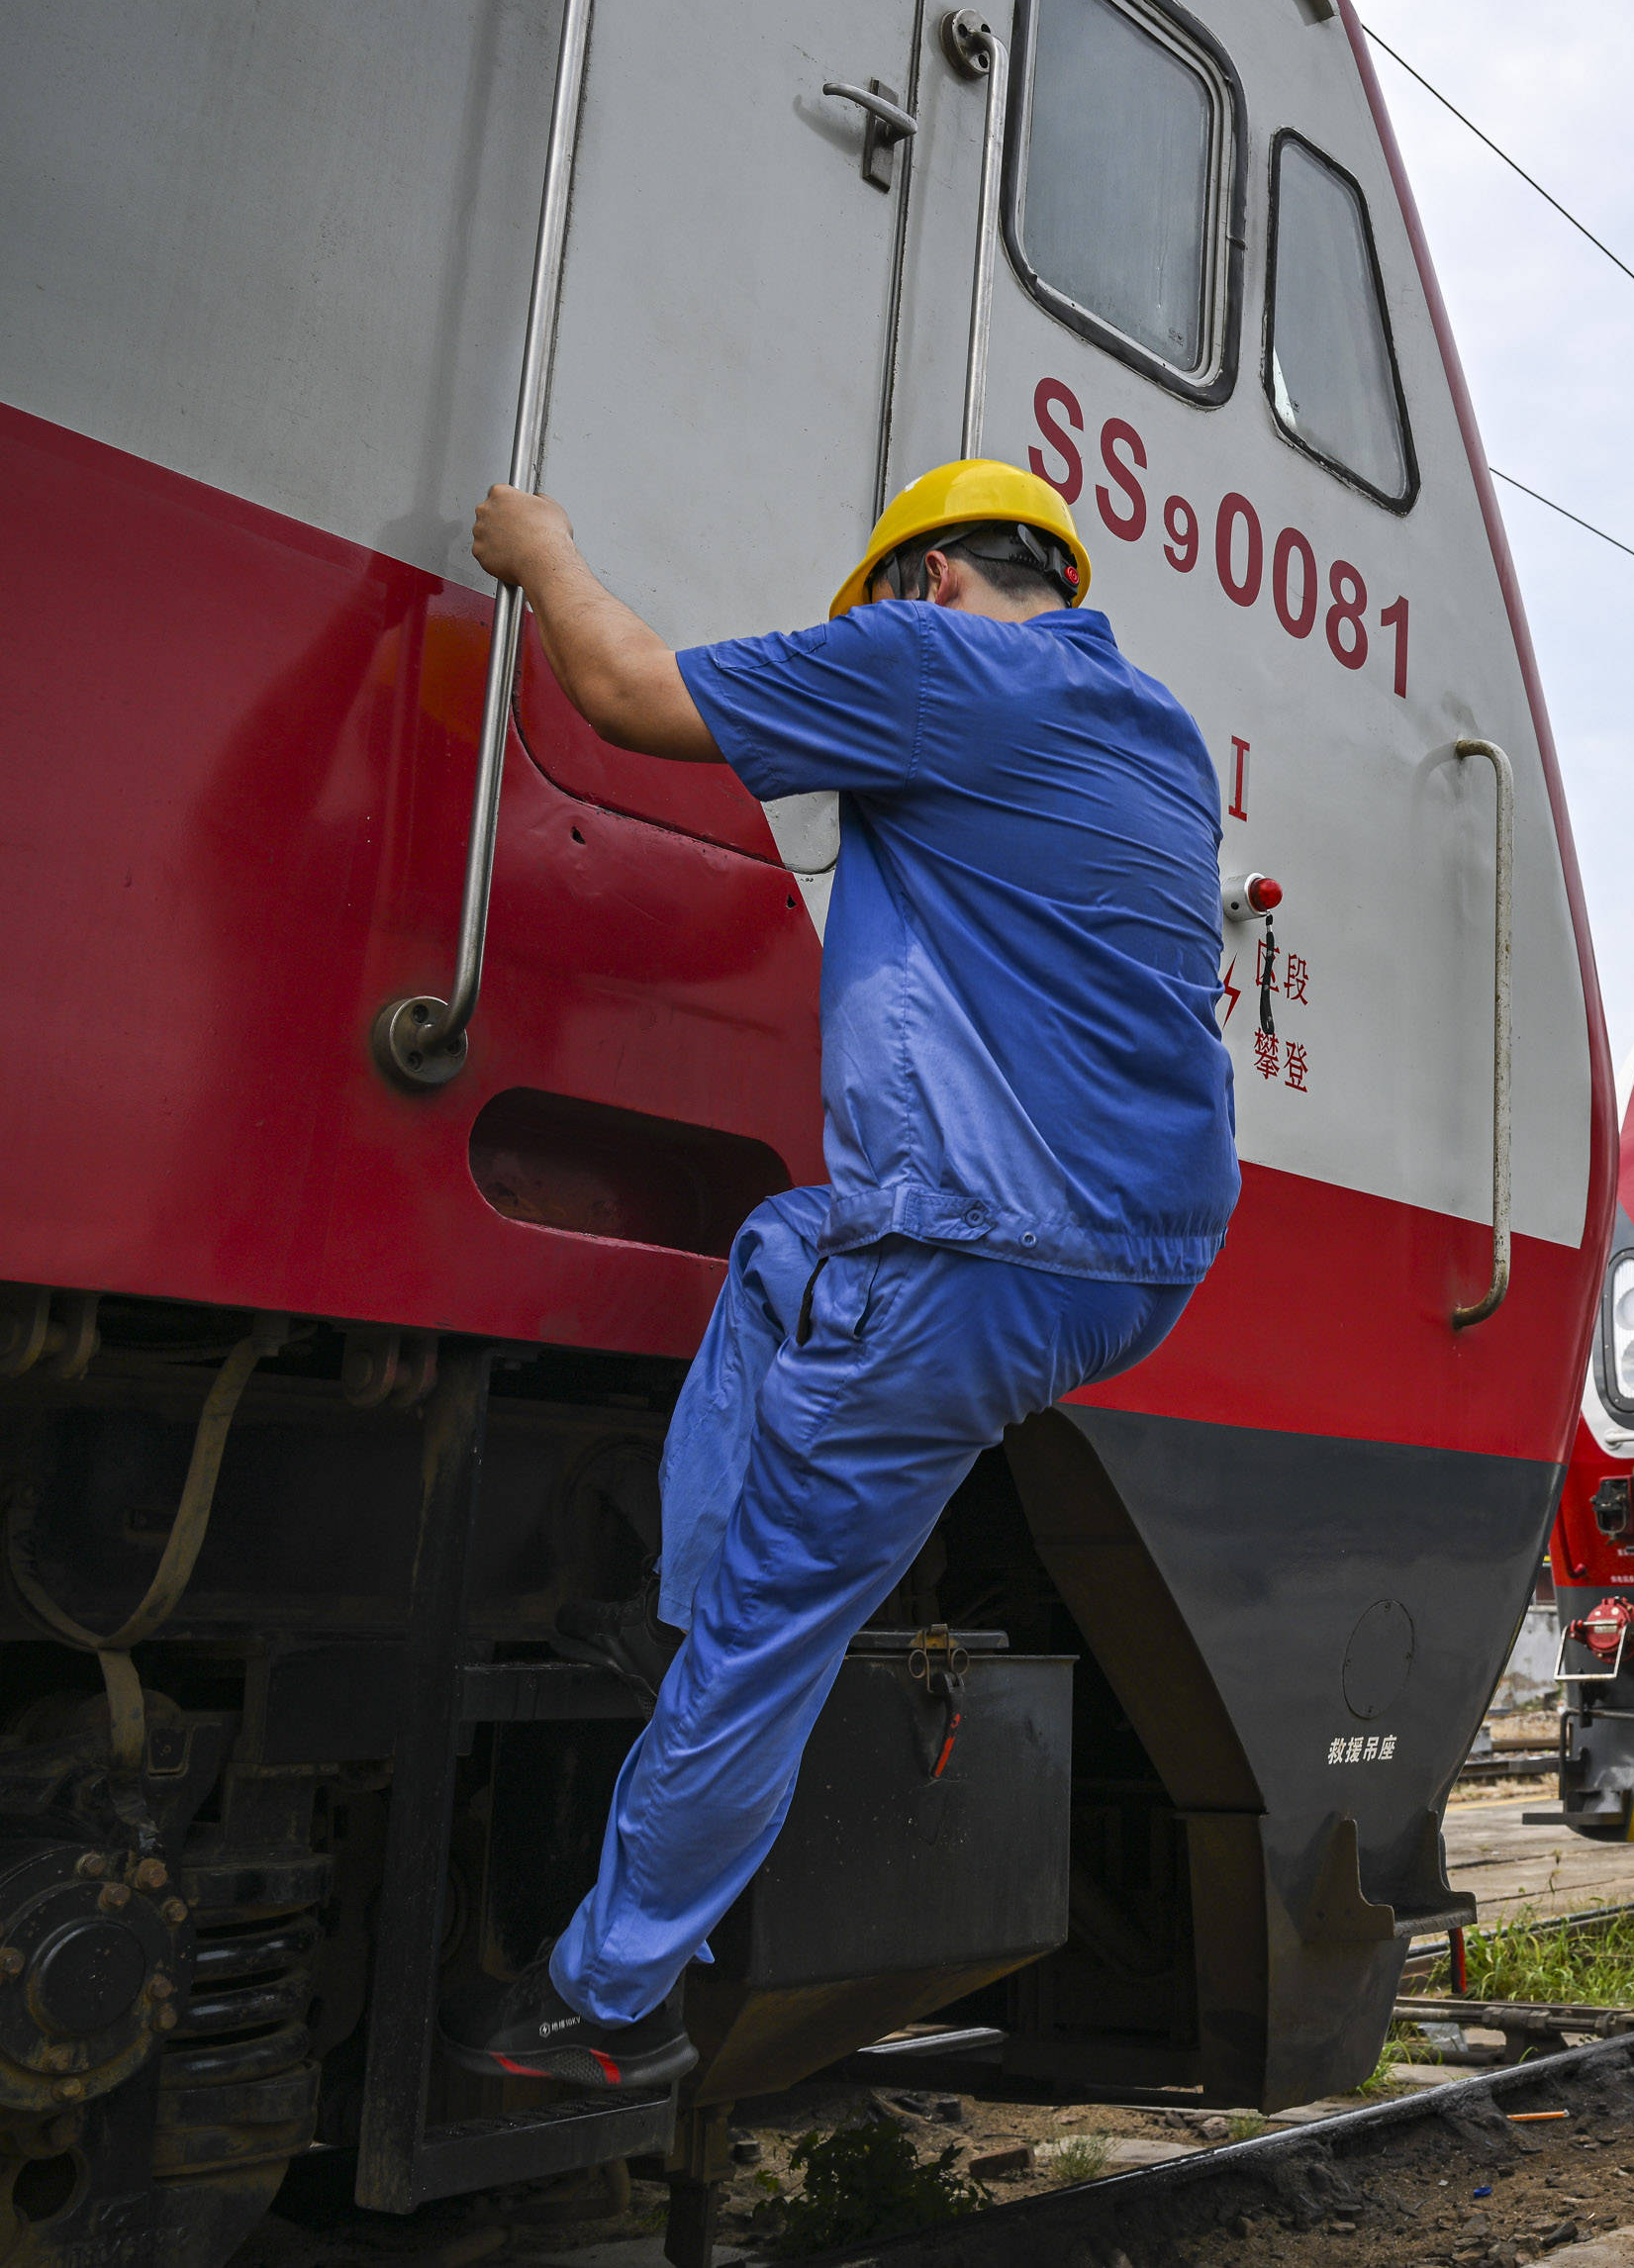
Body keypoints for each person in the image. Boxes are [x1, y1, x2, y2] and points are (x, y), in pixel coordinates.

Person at [437, 462, 1238, 2089]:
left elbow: (620, 691)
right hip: (1140, 1269)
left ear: (930, 579)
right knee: (784, 1246)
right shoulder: (1156, 736)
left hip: (970, 1257)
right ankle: (691, 1601)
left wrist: (545, 548)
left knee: (768, 1640)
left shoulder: (935, 664)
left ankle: (613, 1998)